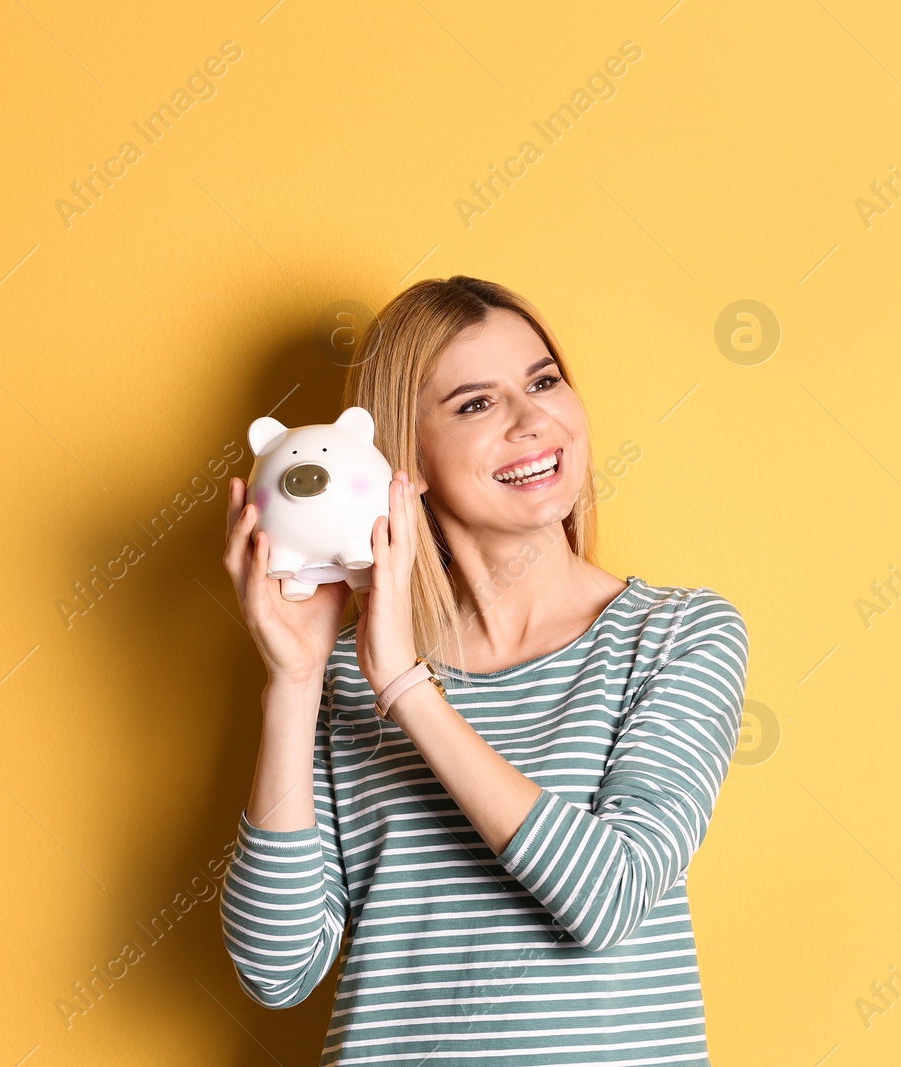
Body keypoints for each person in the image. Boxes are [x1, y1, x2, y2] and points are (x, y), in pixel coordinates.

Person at [218, 275, 750, 1065]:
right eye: (476, 403)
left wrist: (405, 688)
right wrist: (294, 684)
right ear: (405, 458)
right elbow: (278, 967)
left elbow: (609, 896)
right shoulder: (342, 676)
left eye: (543, 381)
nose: (533, 420)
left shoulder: (676, 635)